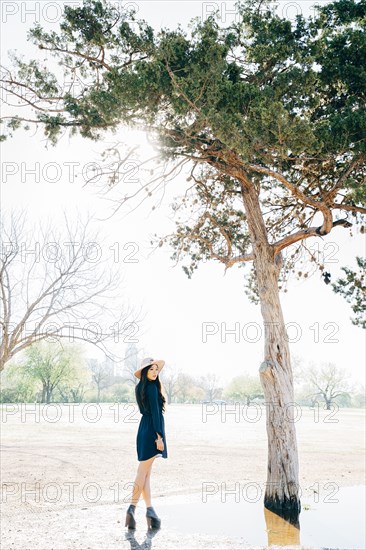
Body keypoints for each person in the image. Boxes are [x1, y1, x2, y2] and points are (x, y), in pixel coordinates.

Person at [125, 357, 168, 530]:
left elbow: (146, 411)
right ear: (145, 371)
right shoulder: (151, 388)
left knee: (146, 474)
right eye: (151, 369)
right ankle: (132, 508)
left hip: (144, 428)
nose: (155, 372)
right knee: (142, 472)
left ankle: (150, 511)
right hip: (152, 431)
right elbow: (156, 413)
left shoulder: (140, 387)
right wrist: (159, 436)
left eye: (157, 369)